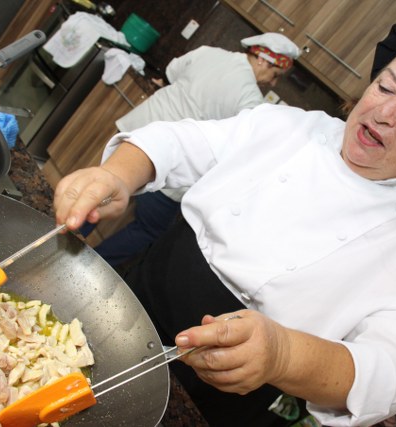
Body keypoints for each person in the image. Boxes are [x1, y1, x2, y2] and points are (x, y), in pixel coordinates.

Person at [54, 5, 396, 427]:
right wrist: (117, 174)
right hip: (125, 307)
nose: (385, 112)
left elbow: (394, 371)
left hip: (212, 390)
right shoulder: (291, 125)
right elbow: (183, 141)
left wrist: (284, 356)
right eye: (385, 86)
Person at [91, 33, 300, 267]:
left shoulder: (208, 52)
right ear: (262, 59)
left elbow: (172, 72)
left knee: (99, 193)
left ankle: (63, 236)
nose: (273, 83)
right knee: (148, 229)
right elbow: (243, 149)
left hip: (137, 134)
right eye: (275, 75)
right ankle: (90, 264)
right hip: (169, 169)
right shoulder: (250, 100)